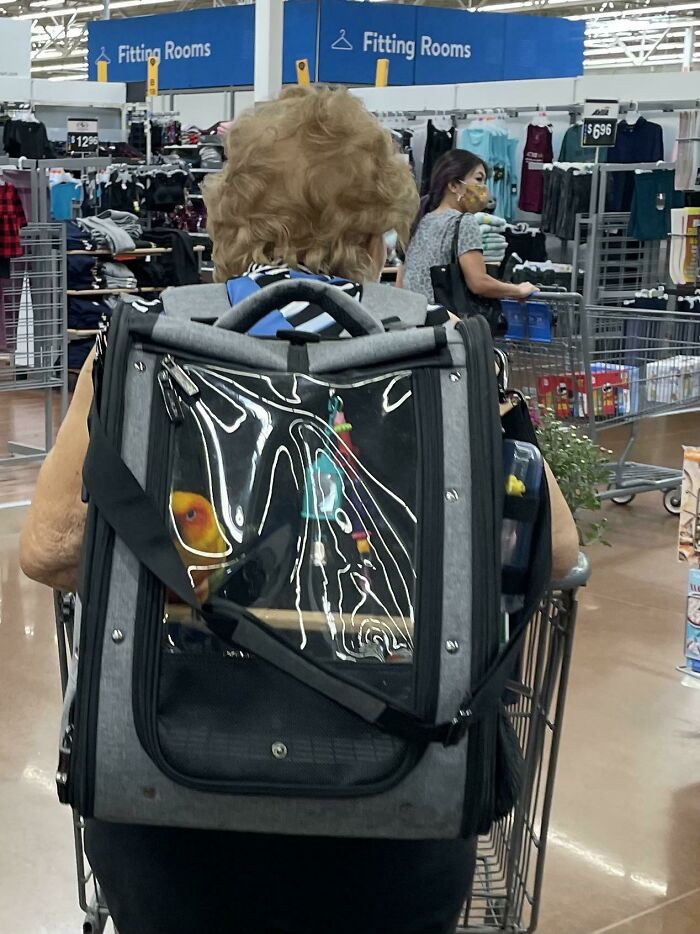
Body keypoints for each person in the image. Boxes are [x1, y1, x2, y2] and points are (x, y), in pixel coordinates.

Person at [20, 87, 578, 934]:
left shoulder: (142, 345)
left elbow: (50, 551)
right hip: (400, 789)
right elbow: (558, 550)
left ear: (228, 207)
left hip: (167, 786)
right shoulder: (445, 353)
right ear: (379, 220)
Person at [399, 149, 537, 305]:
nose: (484, 188)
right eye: (479, 179)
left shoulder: (423, 220)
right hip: (447, 321)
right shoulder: (463, 222)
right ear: (453, 185)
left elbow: (402, 277)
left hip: (417, 316)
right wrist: (518, 290)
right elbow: (478, 283)